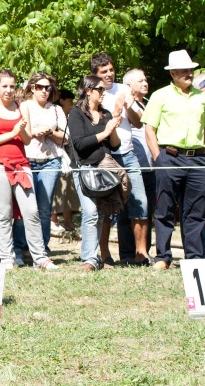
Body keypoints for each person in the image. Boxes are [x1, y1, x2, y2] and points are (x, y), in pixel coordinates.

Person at [0, 69, 57, 270]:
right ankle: (6, 257)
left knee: (31, 211)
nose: (8, 90)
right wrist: (12, 132)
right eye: (4, 86)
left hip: (21, 164)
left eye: (12, 86)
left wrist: (21, 131)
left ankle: (40, 257)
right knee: (4, 212)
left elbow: (27, 139)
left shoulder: (21, 108)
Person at [142, 50, 205, 270]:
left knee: (196, 212)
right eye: (185, 70)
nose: (190, 73)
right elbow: (150, 128)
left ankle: (195, 258)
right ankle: (163, 257)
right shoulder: (160, 96)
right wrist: (159, 158)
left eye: (191, 70)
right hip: (169, 157)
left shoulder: (202, 96)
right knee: (165, 209)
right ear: (173, 73)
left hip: (198, 160)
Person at [91, 52, 149, 268]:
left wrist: (127, 107)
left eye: (111, 70)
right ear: (95, 74)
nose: (109, 74)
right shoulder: (94, 92)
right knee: (107, 207)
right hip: (105, 155)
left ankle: (141, 252)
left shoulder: (123, 89)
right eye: (104, 71)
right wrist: (114, 113)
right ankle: (105, 254)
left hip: (127, 153)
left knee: (140, 201)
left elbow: (138, 123)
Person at [68, 75, 122, 271]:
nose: (103, 92)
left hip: (104, 170)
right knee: (90, 213)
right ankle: (88, 259)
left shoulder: (106, 114)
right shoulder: (76, 114)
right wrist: (106, 132)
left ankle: (94, 257)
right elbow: (80, 144)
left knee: (100, 215)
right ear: (88, 90)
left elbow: (115, 145)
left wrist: (113, 126)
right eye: (99, 89)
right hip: (85, 169)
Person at [12, 72, 67, 262]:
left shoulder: (56, 110)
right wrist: (34, 132)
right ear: (32, 88)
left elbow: (66, 137)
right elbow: (20, 132)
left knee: (44, 208)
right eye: (39, 87)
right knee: (25, 207)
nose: (44, 91)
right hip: (27, 159)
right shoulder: (24, 106)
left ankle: (41, 250)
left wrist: (51, 132)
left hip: (51, 160)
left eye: (48, 87)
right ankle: (19, 248)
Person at [117, 69, 155, 263]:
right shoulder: (124, 102)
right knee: (126, 212)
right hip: (131, 165)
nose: (145, 83)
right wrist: (129, 106)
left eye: (146, 79)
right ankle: (127, 254)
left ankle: (144, 252)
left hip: (150, 167)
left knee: (145, 210)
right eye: (140, 80)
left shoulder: (148, 103)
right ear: (128, 85)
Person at [51, 89, 81, 234]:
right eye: (70, 100)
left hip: (70, 158)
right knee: (57, 189)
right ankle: (53, 220)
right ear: (62, 100)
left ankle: (68, 222)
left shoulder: (70, 116)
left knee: (68, 190)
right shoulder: (54, 113)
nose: (72, 103)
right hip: (57, 156)